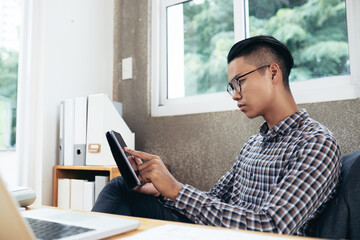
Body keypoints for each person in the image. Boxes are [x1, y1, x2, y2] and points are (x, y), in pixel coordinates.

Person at [92, 35, 341, 236]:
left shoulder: (316, 143)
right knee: (122, 187)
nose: (234, 94)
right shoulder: (253, 145)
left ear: (273, 73)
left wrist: (177, 189)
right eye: (231, 86)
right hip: (216, 233)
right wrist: (162, 191)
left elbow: (271, 228)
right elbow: (212, 201)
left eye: (239, 81)